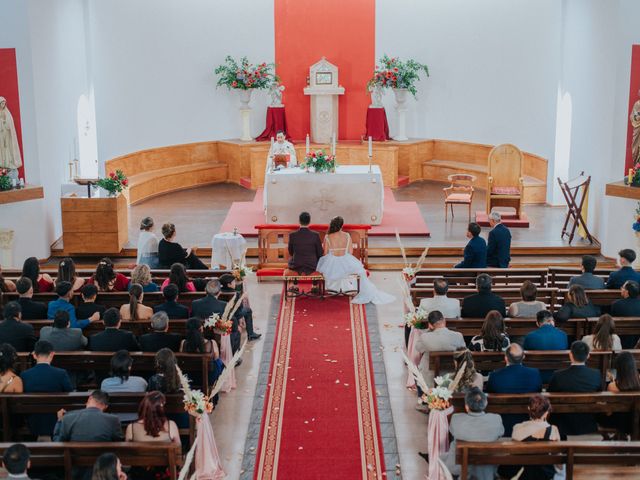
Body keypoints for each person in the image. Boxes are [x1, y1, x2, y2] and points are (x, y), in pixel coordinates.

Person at [316, 216, 394, 304]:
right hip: (345, 259)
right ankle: (345, 289)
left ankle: (333, 289)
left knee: (327, 268)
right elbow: (350, 251)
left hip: (332, 262)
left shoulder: (328, 237)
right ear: (342, 225)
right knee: (354, 271)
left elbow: (325, 253)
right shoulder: (346, 235)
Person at [439, 387, 504, 480]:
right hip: (486, 467)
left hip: (459, 466)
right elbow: (501, 433)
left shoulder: (456, 418)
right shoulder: (496, 419)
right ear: (485, 404)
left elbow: (452, 431)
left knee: (441, 458)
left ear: (466, 406)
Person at [547, 341, 603, 437]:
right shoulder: (596, 374)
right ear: (588, 356)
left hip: (563, 421)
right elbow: (599, 395)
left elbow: (550, 395)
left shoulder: (558, 375)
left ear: (570, 355)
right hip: (587, 420)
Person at [486, 343, 542, 436]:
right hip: (527, 419)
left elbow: (489, 396)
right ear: (523, 357)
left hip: (503, 421)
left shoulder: (495, 375)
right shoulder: (535, 373)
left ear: (506, 358)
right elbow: (539, 391)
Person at [21, 340, 73, 437]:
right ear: (52, 354)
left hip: (32, 419)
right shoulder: (61, 373)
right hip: (55, 418)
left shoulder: (25, 375)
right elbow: (70, 394)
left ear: (34, 355)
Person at [125, 391, 181, 480]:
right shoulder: (171, 426)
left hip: (140, 474)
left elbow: (128, 454)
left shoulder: (131, 427)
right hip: (163, 474)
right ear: (161, 408)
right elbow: (178, 451)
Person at [507, 395, 562, 480]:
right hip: (545, 475)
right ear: (547, 412)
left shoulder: (517, 428)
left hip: (524, 474)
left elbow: (514, 455)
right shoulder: (553, 430)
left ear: (528, 409)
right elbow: (558, 459)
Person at [414, 310, 466, 389]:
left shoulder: (425, 337)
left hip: (429, 379)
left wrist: (429, 331)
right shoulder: (458, 336)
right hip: (452, 378)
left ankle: (423, 399)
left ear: (430, 325)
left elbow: (418, 348)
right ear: (444, 321)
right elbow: (463, 352)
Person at [53, 390, 123, 442]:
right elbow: (119, 443)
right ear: (106, 407)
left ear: (89, 398)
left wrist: (59, 421)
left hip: (75, 460)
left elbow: (58, 442)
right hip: (102, 460)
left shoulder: (68, 417)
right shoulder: (113, 419)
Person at [191, 279, 241, 352]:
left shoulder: (195, 303)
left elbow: (192, 318)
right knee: (236, 332)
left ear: (205, 290)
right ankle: (232, 354)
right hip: (217, 336)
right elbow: (231, 323)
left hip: (200, 335)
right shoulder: (224, 305)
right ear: (219, 293)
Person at [101, 350, 148, 421]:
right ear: (129, 367)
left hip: (114, 420)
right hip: (135, 420)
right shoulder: (141, 381)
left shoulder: (105, 383)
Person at [523, 310, 568, 383]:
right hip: (557, 374)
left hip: (536, 374)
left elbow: (525, 357)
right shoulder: (563, 335)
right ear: (552, 321)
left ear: (537, 323)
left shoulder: (529, 336)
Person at [180, 317, 223, 387]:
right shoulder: (212, 343)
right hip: (208, 377)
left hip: (189, 378)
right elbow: (216, 359)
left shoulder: (183, 343)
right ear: (201, 329)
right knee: (219, 362)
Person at [219, 273, 261, 340]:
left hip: (221, 314)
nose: (235, 283)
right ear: (229, 285)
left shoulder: (218, 292)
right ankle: (251, 334)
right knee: (248, 310)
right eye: (233, 282)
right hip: (233, 315)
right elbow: (239, 307)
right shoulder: (236, 293)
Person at [286, 211, 323, 276]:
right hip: (312, 265)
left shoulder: (292, 235)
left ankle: (295, 283)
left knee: (290, 260)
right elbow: (320, 253)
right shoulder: (315, 235)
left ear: (299, 221)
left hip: (296, 265)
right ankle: (314, 284)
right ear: (309, 221)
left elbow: (291, 252)